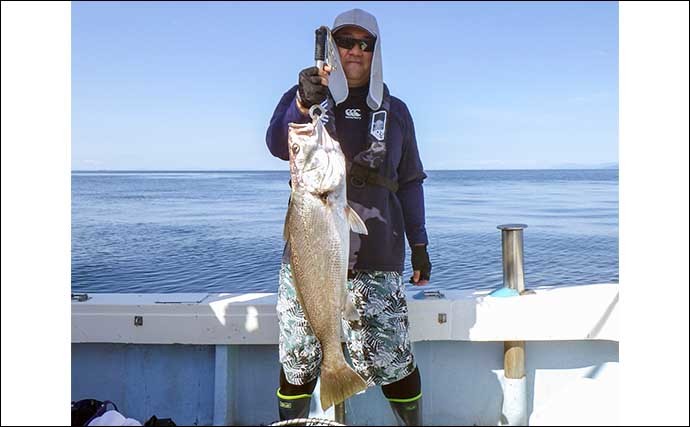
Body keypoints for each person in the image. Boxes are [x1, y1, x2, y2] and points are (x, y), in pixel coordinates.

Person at [265, 8, 432, 426]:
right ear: (333, 50)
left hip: (378, 256)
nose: (355, 51)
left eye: (365, 44)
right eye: (345, 42)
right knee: (299, 360)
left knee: (394, 361)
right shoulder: (307, 99)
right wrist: (303, 101)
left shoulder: (397, 112)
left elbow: (410, 182)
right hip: (308, 256)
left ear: (375, 53)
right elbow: (276, 142)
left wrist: (421, 246)